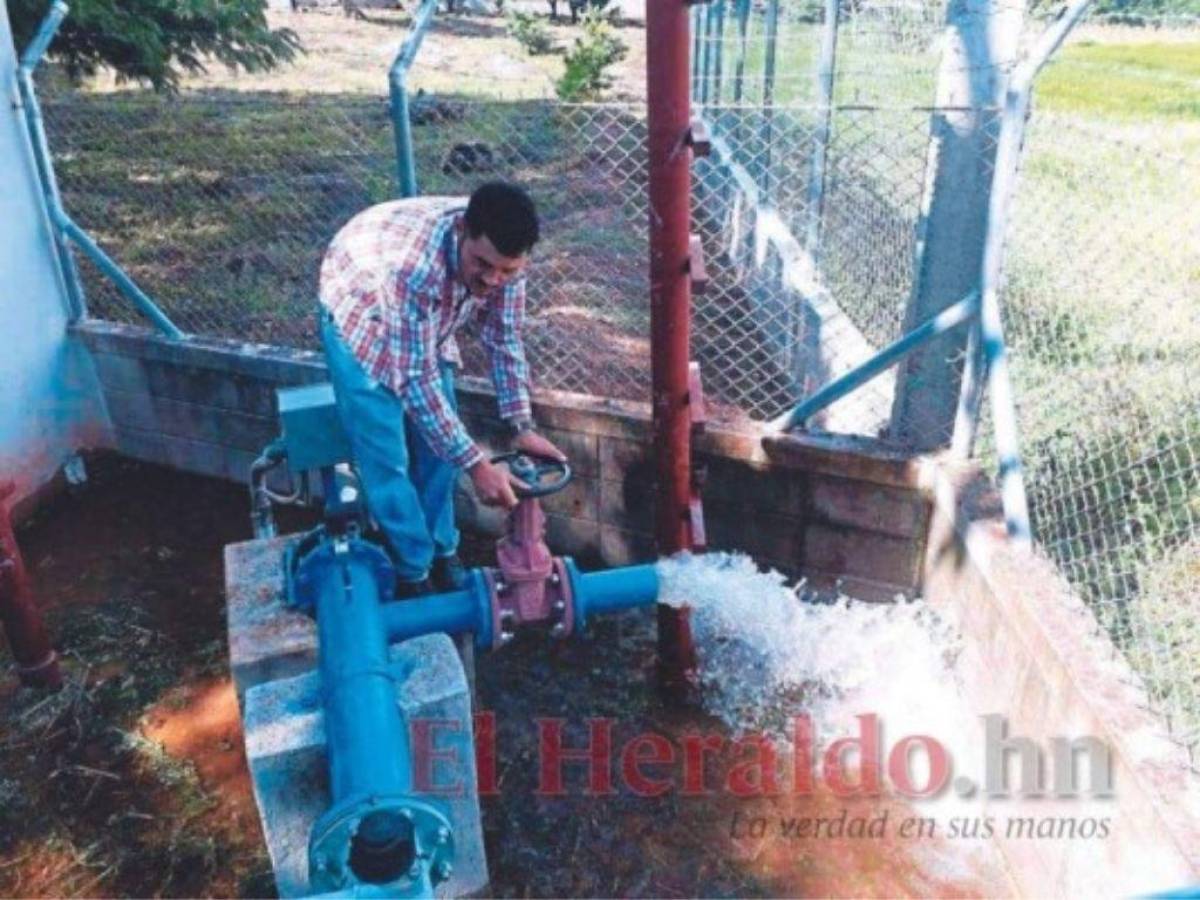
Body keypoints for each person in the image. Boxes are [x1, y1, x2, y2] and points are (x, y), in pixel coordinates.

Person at [317, 182, 566, 598]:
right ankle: (412, 568)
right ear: (462, 231)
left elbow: (504, 339)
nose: (492, 280)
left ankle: (442, 550)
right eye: (482, 264)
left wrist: (520, 424)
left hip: (420, 325)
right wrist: (477, 464)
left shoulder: (507, 267)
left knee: (438, 453)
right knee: (388, 457)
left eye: (506, 270)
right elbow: (414, 379)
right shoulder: (412, 270)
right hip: (360, 309)